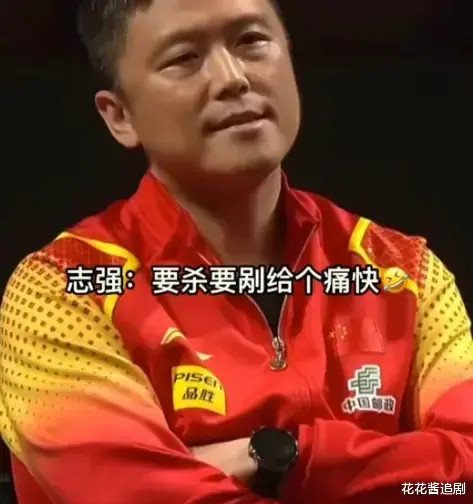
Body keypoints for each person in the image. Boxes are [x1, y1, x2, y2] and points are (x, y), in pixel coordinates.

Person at [1, 0, 472, 502]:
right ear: (120, 116)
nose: (233, 79)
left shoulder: (404, 271)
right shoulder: (61, 288)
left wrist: (284, 457)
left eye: (251, 41)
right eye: (184, 58)